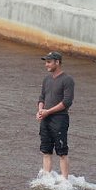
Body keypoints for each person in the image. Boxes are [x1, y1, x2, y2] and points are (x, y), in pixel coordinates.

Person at [36, 51, 75, 180]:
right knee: (46, 151)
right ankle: (47, 179)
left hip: (60, 119)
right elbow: (41, 97)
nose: (46, 65)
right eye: (46, 62)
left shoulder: (67, 80)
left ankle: (65, 180)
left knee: (62, 151)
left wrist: (48, 111)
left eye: (49, 62)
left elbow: (66, 102)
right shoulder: (46, 79)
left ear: (57, 62)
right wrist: (41, 110)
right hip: (46, 118)